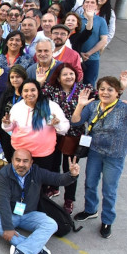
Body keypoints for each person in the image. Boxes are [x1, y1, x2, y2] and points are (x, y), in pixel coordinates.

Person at [71, 77, 127, 238]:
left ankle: (107, 219)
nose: (105, 92)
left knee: (109, 189)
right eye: (102, 89)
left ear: (117, 92)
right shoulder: (93, 105)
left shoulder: (125, 108)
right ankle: (90, 210)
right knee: (90, 183)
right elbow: (75, 122)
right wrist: (80, 105)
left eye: (110, 89)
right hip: (95, 152)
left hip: (115, 155)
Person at [0, 149, 80, 254]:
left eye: (25, 161)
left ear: (31, 162)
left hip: (30, 214)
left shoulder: (37, 172)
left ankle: (21, 250)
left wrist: (71, 175)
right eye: (17, 160)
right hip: (12, 214)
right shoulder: (4, 174)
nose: (21, 164)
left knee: (51, 224)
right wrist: (8, 227)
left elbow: (57, 179)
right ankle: (37, 248)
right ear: (12, 160)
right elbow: (3, 202)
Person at [42, 63, 95, 211]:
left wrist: (120, 89)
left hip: (74, 136)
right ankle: (53, 187)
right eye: (65, 74)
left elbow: (105, 96)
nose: (69, 77)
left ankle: (69, 199)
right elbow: (37, 96)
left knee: (70, 167)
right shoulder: (52, 90)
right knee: (53, 164)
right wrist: (40, 82)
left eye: (71, 74)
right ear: (58, 78)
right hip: (54, 133)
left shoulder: (83, 90)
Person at [2, 79, 69, 175]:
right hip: (21, 154)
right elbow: (9, 128)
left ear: (38, 91)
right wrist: (6, 124)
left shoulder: (51, 106)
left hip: (43, 155)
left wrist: (57, 124)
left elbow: (64, 128)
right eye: (26, 91)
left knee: (41, 185)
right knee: (21, 182)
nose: (29, 93)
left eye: (33, 90)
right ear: (21, 93)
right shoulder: (17, 107)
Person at [0, 65, 28, 162]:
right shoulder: (7, 93)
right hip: (6, 132)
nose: (15, 80)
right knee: (8, 156)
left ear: (24, 77)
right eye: (12, 77)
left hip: (22, 133)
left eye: (18, 77)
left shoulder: (28, 94)